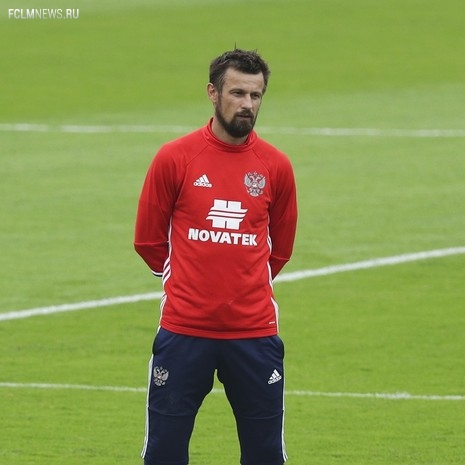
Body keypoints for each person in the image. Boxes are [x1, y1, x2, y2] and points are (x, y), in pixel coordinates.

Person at [134, 48, 298, 465]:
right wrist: (192, 283)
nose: (247, 104)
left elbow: (280, 249)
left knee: (265, 454)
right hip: (184, 332)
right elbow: (148, 242)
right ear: (213, 93)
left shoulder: (275, 166)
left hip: (254, 335)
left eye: (256, 95)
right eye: (237, 93)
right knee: (164, 453)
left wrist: (241, 284)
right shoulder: (175, 158)